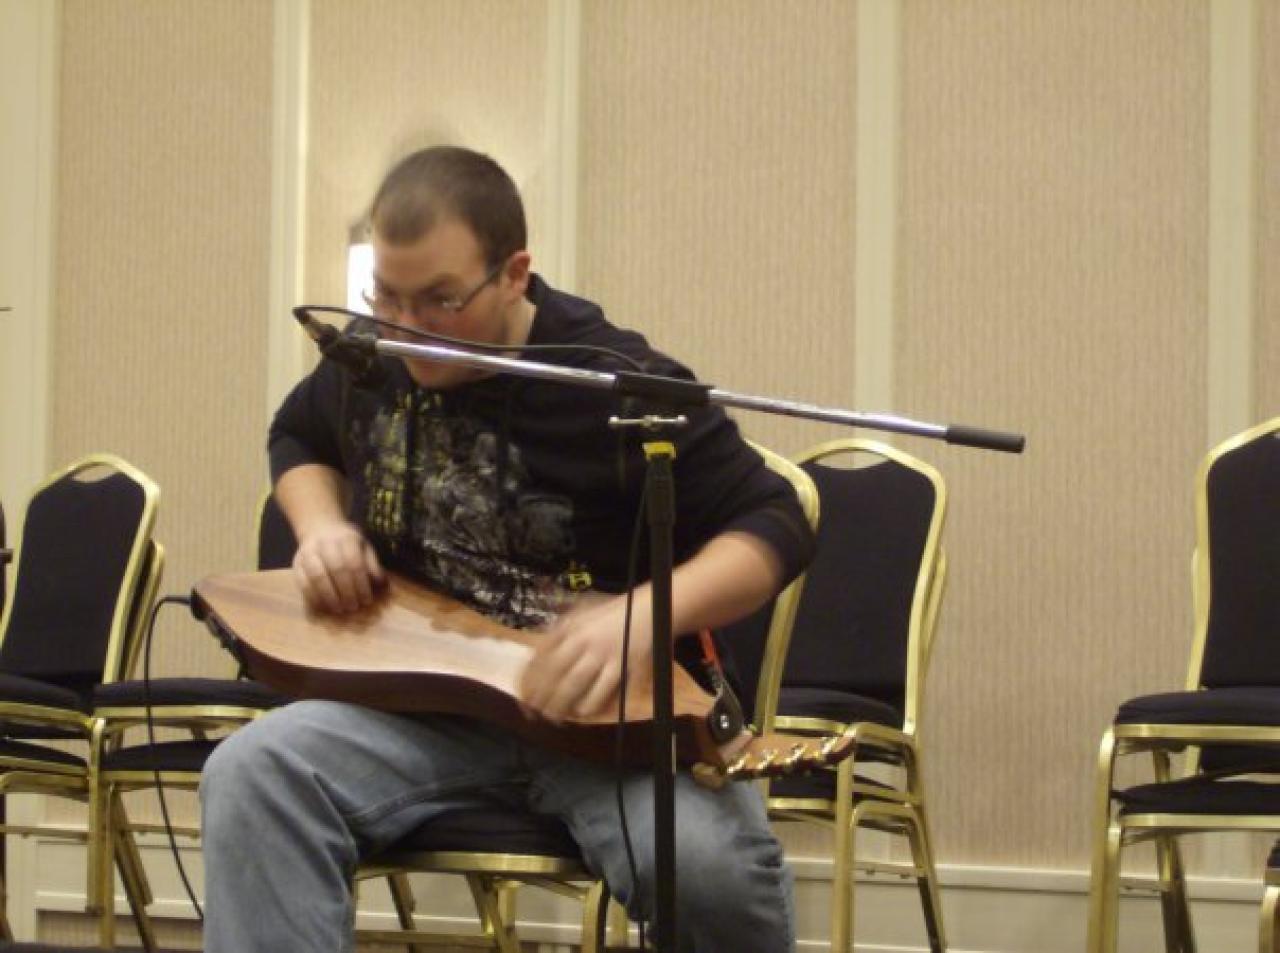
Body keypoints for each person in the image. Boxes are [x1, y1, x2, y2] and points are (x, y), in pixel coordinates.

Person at [200, 145, 815, 953]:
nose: (405, 328)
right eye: (386, 294)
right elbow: (299, 434)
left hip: (608, 725)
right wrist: (321, 527)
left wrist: (637, 618)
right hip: (422, 707)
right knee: (253, 773)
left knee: (708, 868)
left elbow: (774, 521)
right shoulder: (373, 355)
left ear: (514, 273)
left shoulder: (612, 380)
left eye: (440, 300)